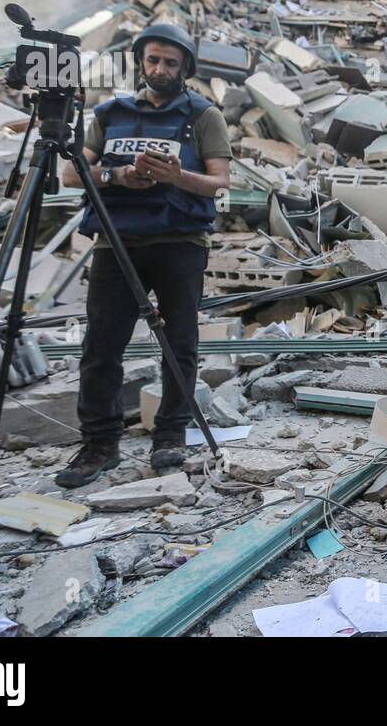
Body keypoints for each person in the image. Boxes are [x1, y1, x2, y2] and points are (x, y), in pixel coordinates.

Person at [55, 24, 232, 488]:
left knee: (180, 345)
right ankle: (99, 444)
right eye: (153, 60)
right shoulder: (111, 112)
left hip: (179, 244)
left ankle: (170, 435)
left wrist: (176, 177)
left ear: (185, 69)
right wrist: (116, 177)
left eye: (170, 63)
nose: (160, 69)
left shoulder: (202, 115)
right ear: (141, 62)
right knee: (101, 347)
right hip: (116, 244)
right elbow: (72, 174)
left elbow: (219, 183)